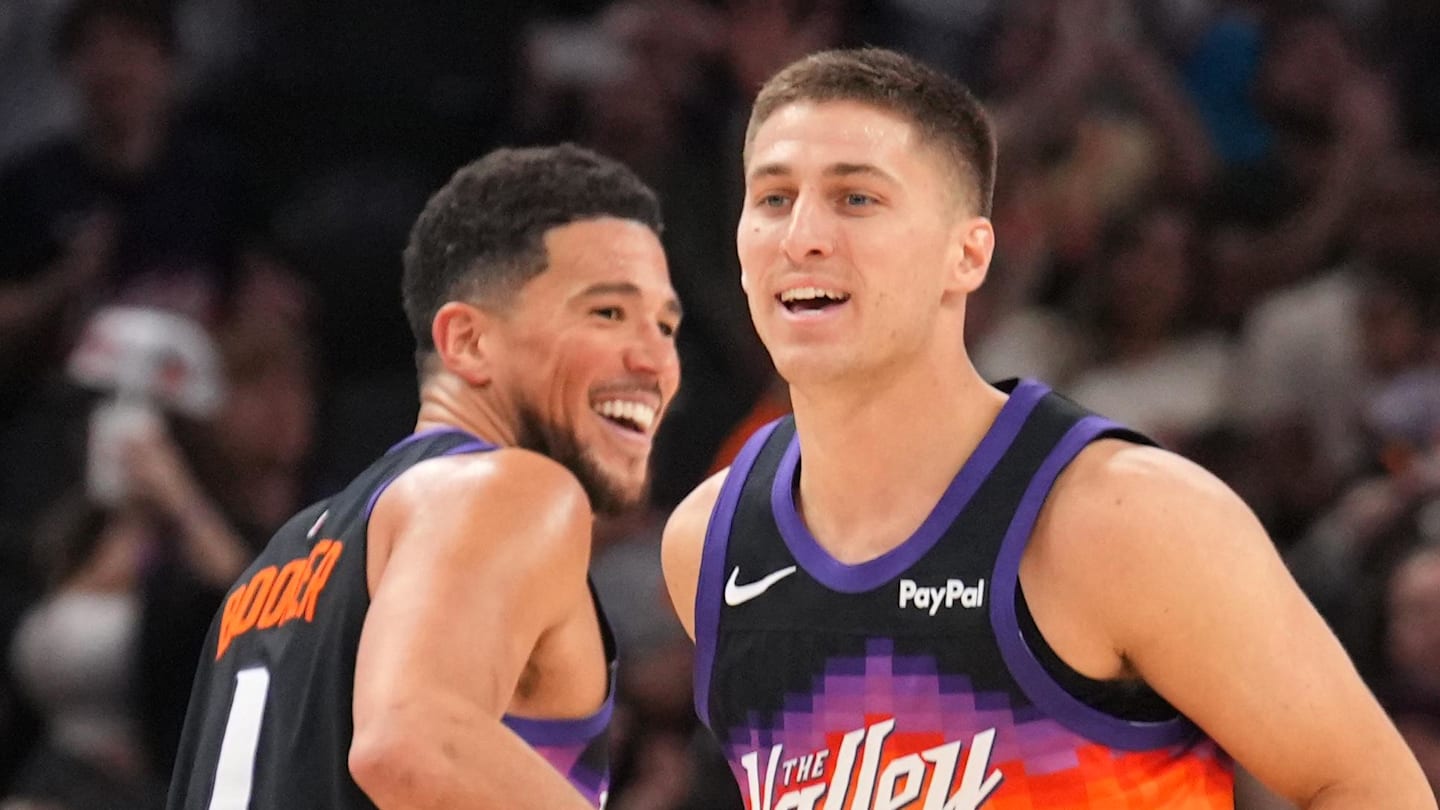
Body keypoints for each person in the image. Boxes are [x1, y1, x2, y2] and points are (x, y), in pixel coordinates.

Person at [660, 48, 1434, 808]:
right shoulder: (709, 543)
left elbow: (1372, 789)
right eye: (772, 198)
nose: (802, 237)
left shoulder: (1120, 517)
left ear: (967, 254)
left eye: (857, 198)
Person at [167, 143, 682, 809]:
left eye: (666, 326)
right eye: (607, 313)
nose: (654, 359)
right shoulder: (504, 489)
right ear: (467, 341)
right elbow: (411, 744)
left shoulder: (273, 566)